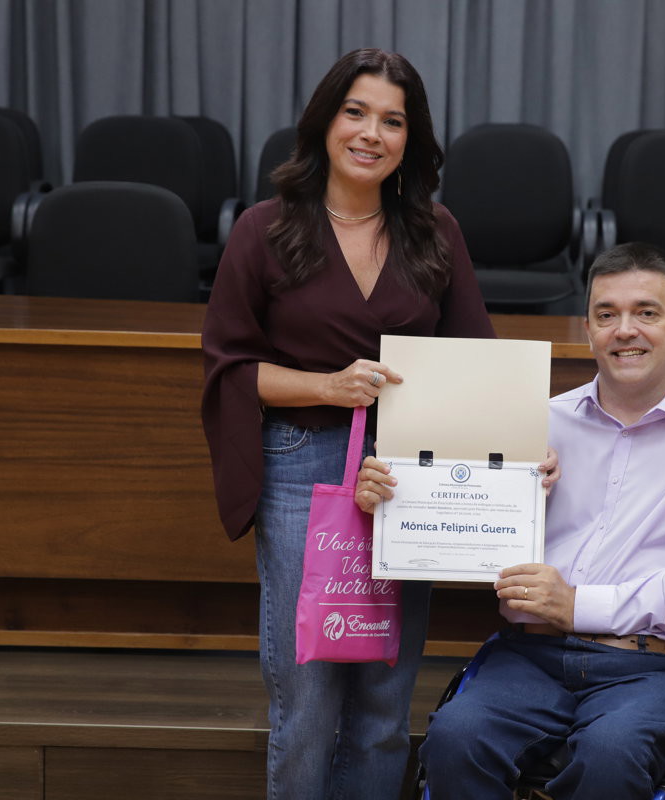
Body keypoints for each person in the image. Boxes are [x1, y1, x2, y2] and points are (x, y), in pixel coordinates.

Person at [201, 48, 555, 800]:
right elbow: (230, 366)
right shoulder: (263, 229)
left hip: (407, 479)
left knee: (386, 705)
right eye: (355, 112)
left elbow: (477, 362)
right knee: (308, 700)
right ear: (325, 121)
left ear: (411, 139)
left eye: (392, 121)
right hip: (301, 467)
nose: (371, 133)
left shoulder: (435, 230)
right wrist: (328, 386)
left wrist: (526, 454)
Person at [409, 242, 665, 798]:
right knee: (456, 736)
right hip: (533, 656)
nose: (624, 330)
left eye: (646, 313)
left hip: (664, 666)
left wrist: (578, 604)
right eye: (607, 315)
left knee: (612, 750)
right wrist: (396, 494)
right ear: (588, 329)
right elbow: (454, 515)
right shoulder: (536, 423)